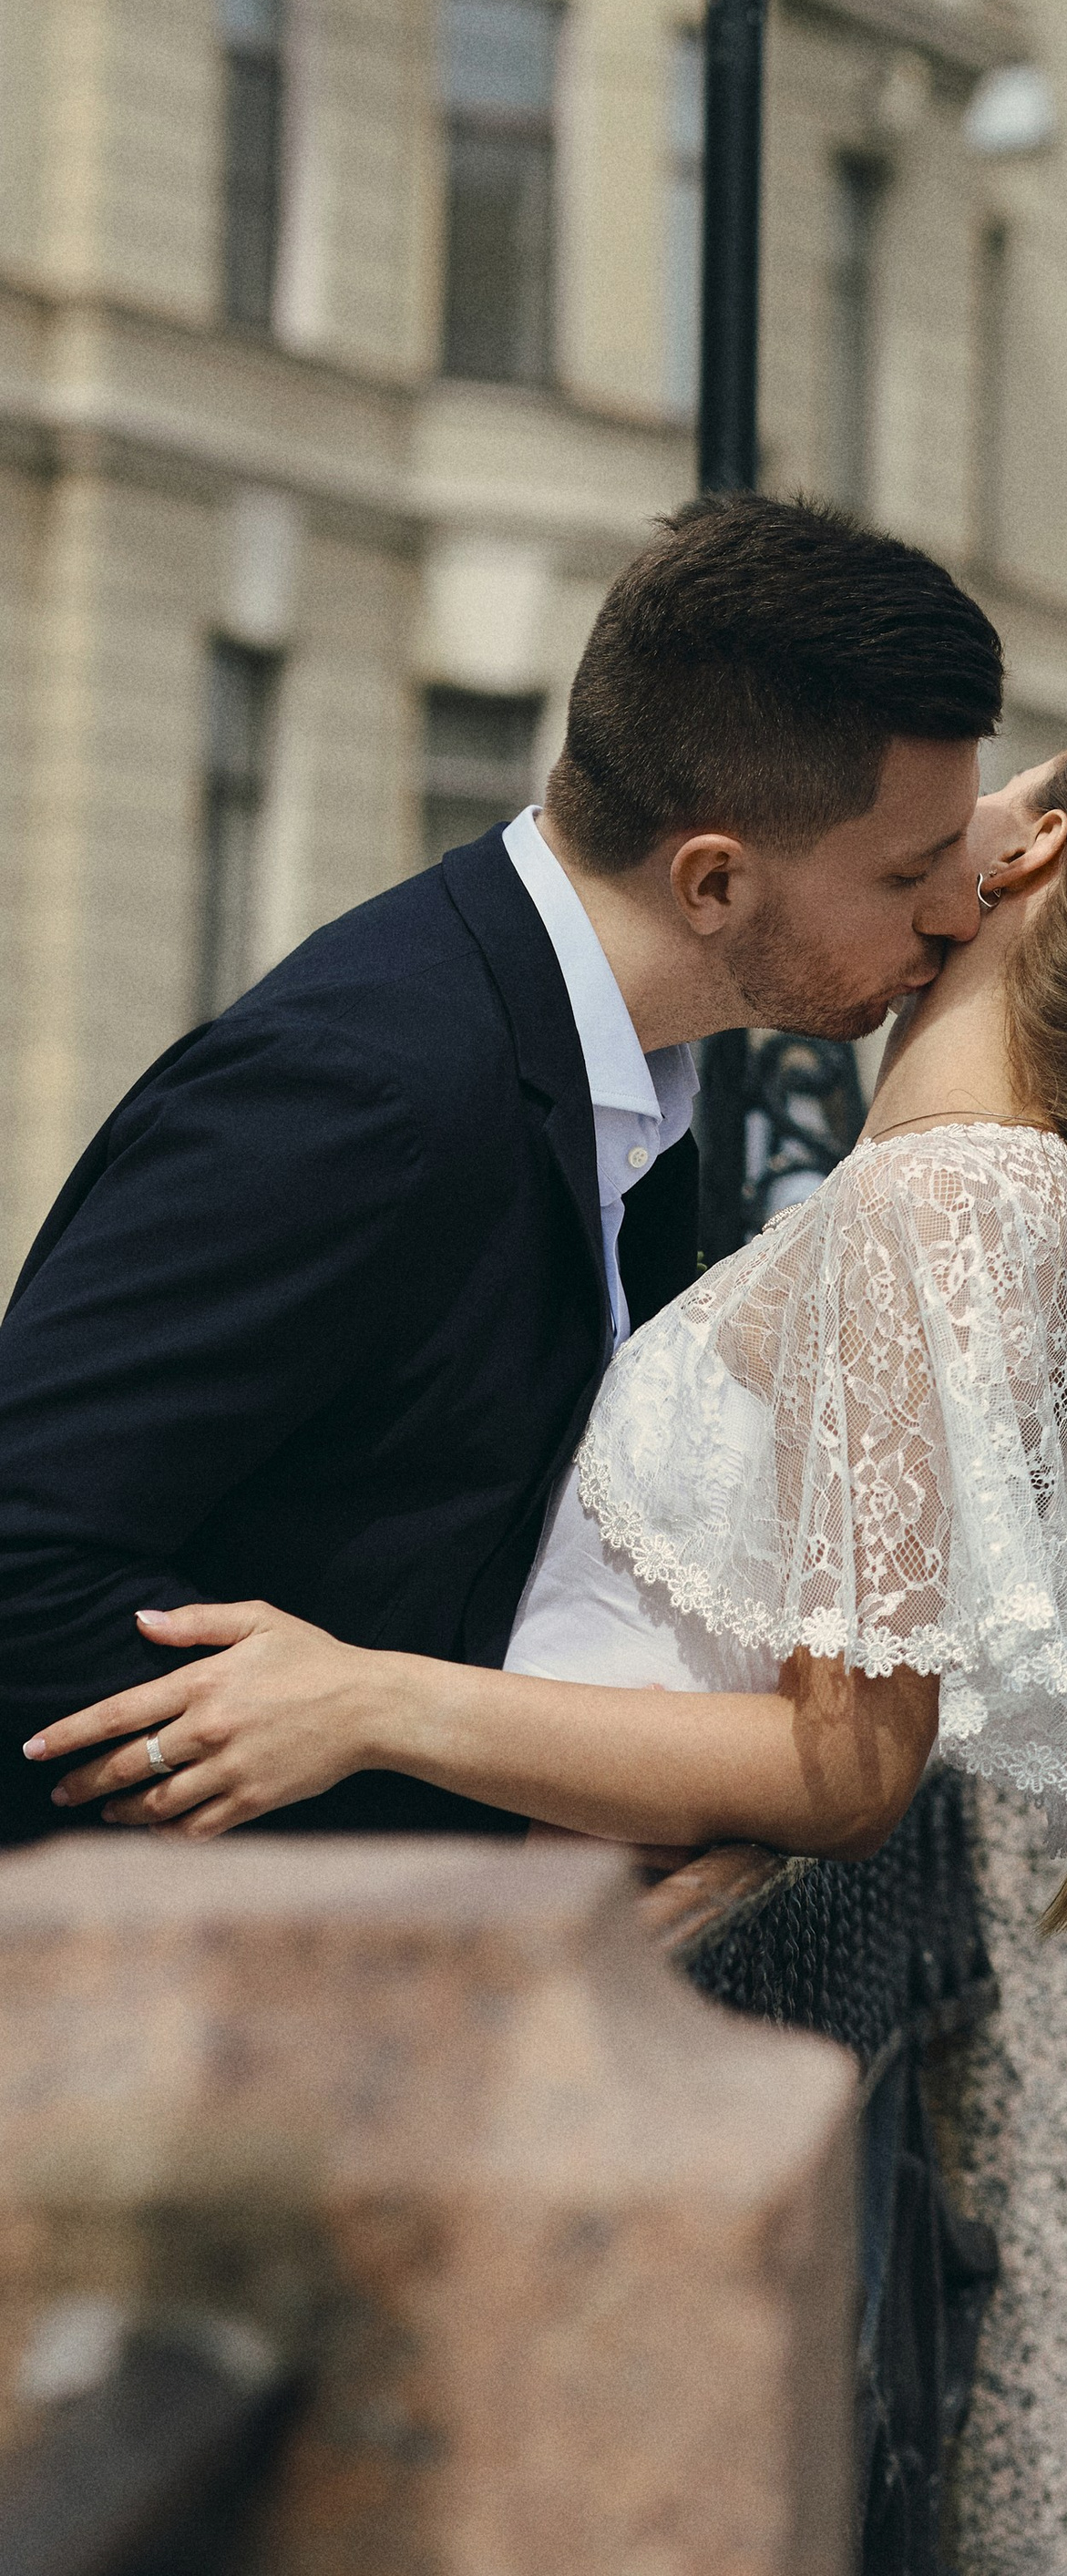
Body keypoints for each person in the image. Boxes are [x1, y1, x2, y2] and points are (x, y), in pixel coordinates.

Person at [28, 728, 1067, 1967]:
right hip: (533, 1907)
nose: (954, 837)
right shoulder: (994, 1198)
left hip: (515, 1948)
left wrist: (369, 1700)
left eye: (981, 807)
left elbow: (855, 1764)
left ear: (1030, 853)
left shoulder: (935, 1201)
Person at [0, 494, 1003, 1847]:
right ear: (712, 883)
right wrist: (400, 1810)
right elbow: (22, 1556)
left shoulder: (635, 1080)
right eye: (912, 872)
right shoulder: (365, 1095)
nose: (959, 914)